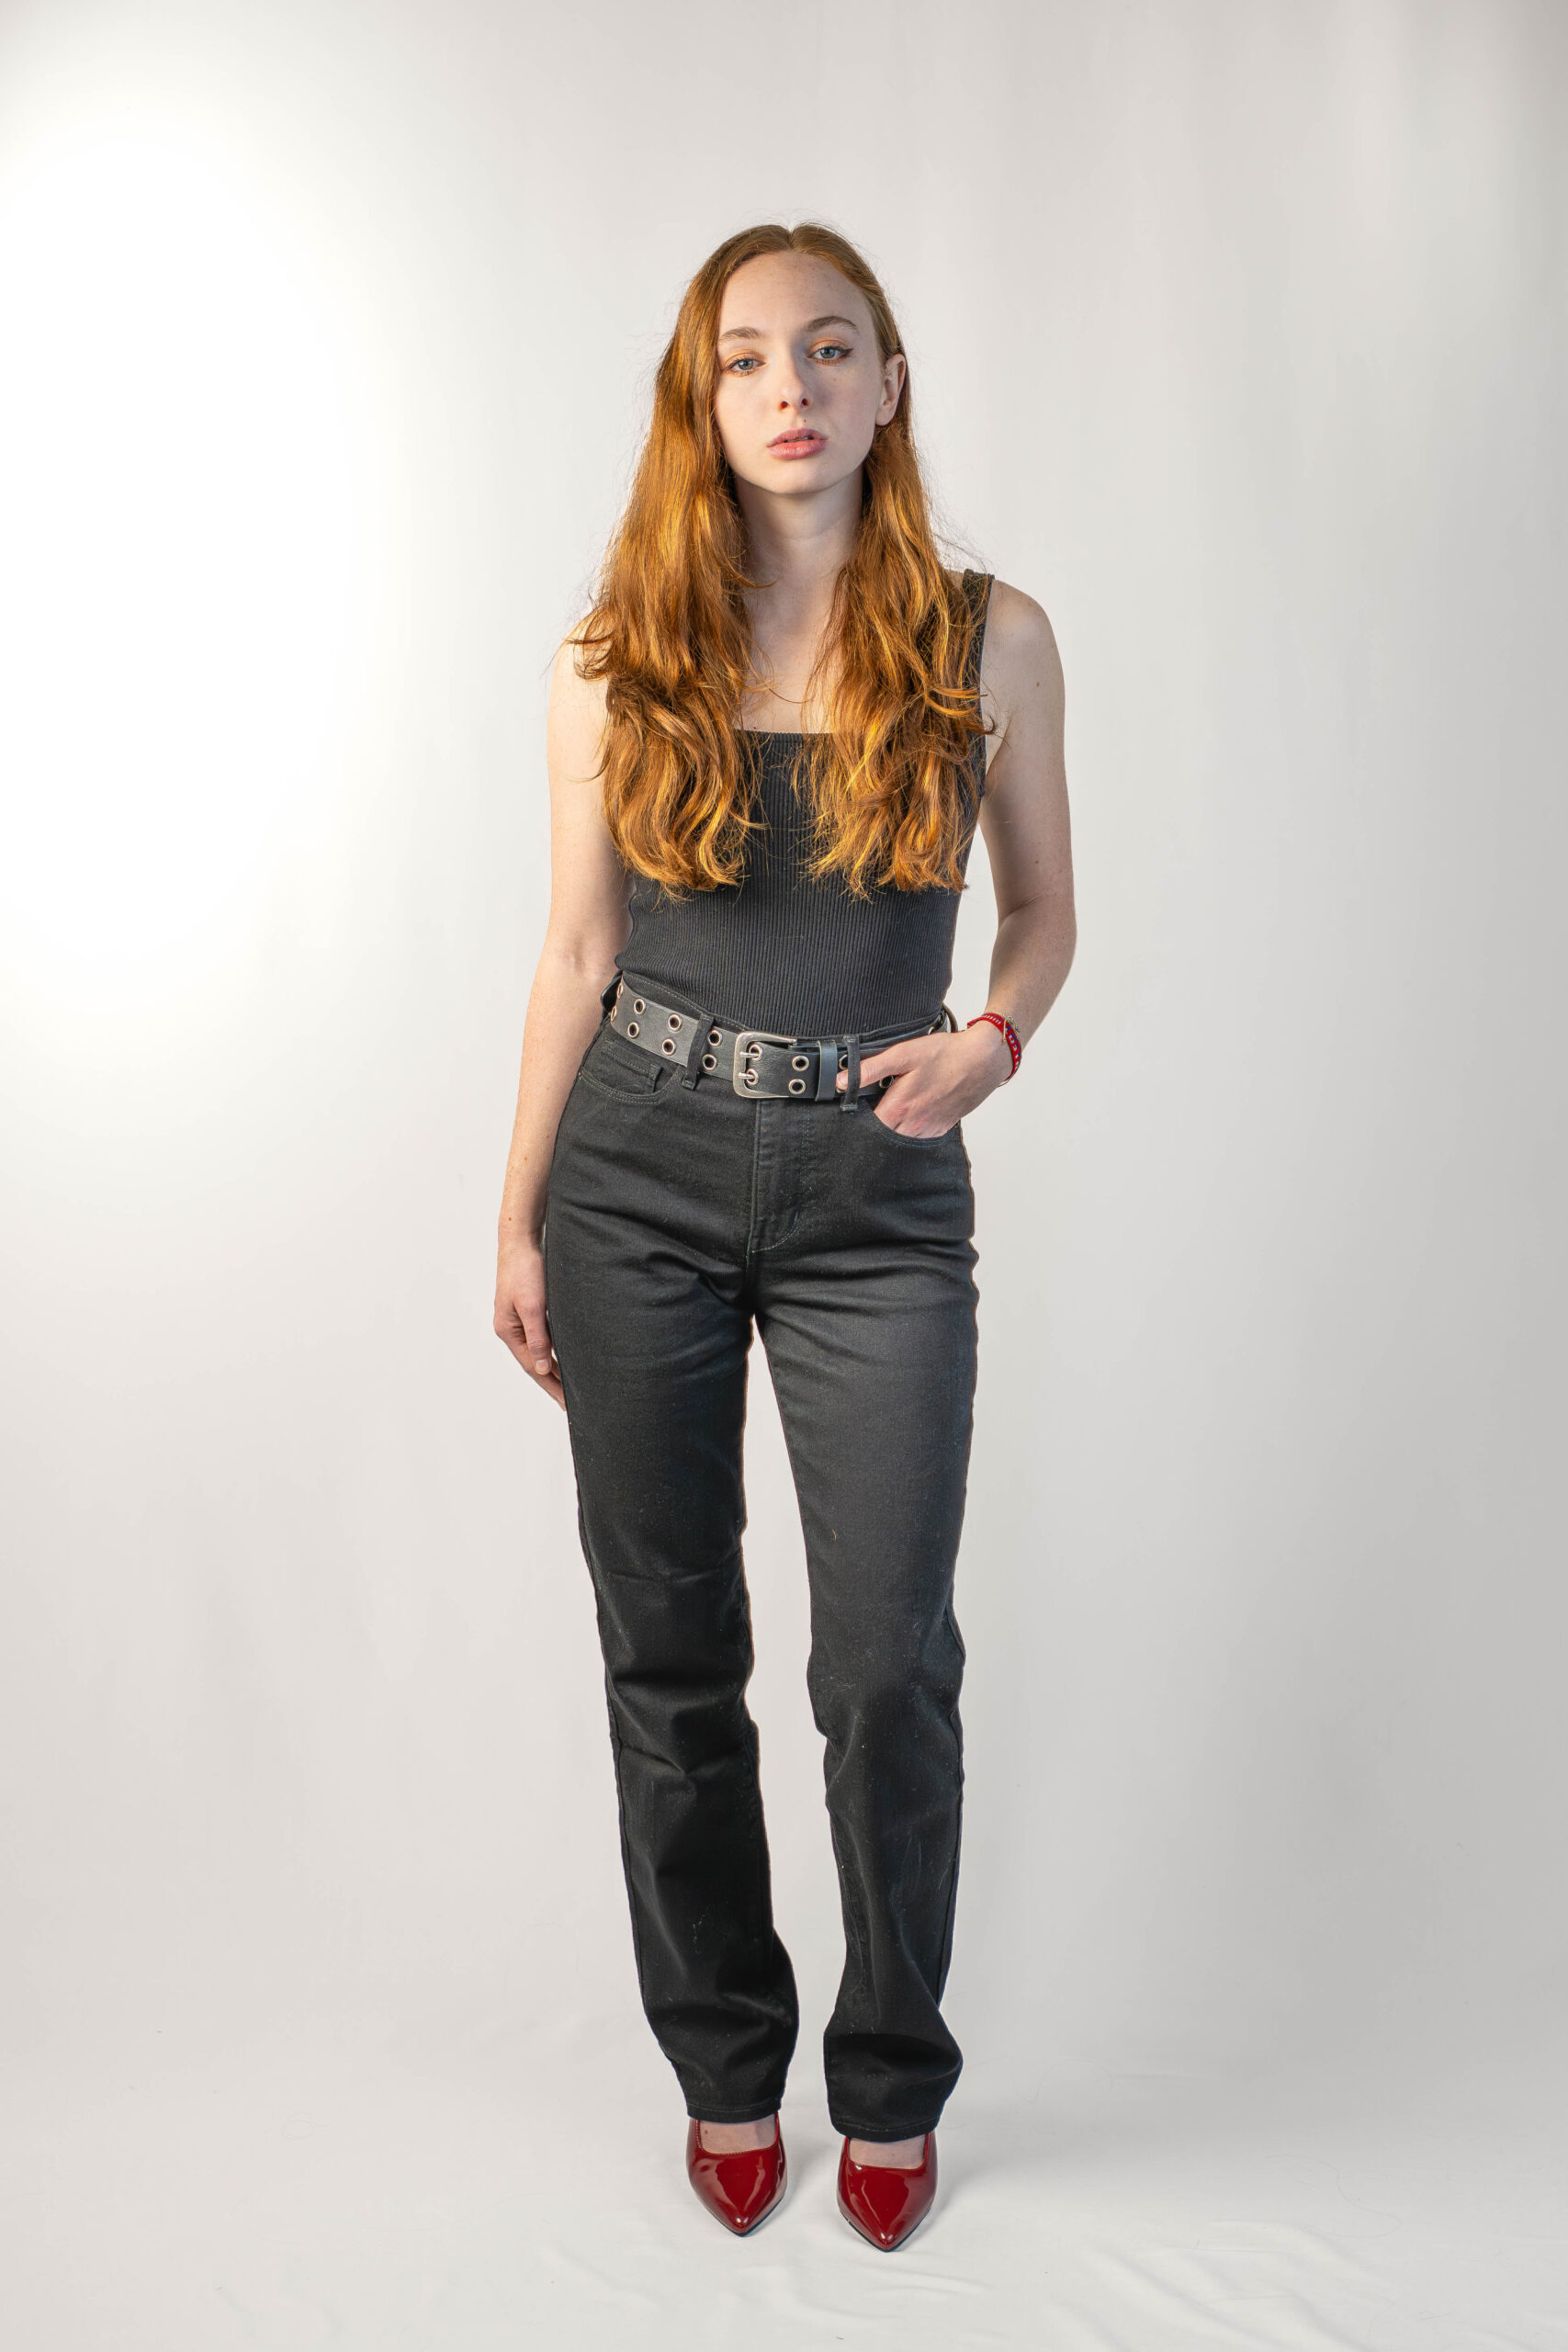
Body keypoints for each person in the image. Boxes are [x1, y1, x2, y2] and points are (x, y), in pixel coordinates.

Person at [493, 220, 1074, 2251]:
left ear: (889, 384)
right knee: (670, 1654)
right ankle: (724, 2059)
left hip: (877, 1193)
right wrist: (517, 1219)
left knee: (887, 1664)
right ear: (703, 401)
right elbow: (575, 955)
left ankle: (890, 2071)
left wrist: (993, 1042)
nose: (791, 386)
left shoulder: (992, 638)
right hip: (634, 1172)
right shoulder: (611, 655)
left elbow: (1041, 913)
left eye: (831, 348)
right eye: (745, 358)